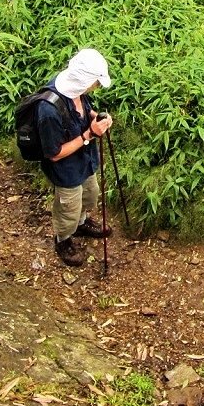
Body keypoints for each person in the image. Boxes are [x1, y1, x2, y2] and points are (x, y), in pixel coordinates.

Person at [37, 48, 115, 267]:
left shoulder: (75, 89)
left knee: (90, 194)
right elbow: (54, 154)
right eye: (96, 82)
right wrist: (90, 134)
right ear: (85, 80)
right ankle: (63, 239)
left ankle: (81, 224)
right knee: (68, 208)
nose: (97, 87)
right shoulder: (48, 110)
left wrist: (97, 118)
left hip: (85, 160)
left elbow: (84, 111)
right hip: (66, 170)